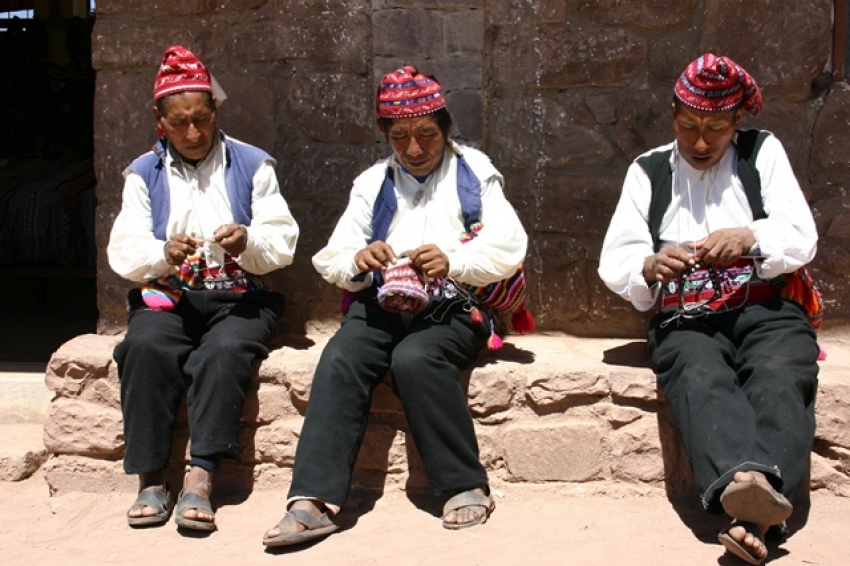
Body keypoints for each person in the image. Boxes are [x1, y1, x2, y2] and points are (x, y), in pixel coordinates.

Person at [262, 66, 528, 547]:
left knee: (417, 358)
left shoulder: (475, 174)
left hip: (451, 304)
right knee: (342, 357)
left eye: (427, 134)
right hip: (384, 302)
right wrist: (362, 261)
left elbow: (510, 246)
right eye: (400, 136)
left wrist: (454, 260)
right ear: (385, 134)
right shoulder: (371, 183)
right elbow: (335, 254)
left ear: (446, 129)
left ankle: (464, 484)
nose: (414, 148)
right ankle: (312, 500)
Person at [599, 53, 820, 565]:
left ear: (737, 122)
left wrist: (750, 236)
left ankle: (749, 505)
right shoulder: (647, 170)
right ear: (673, 116)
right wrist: (651, 264)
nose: (700, 142)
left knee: (781, 370)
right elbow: (617, 258)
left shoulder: (762, 153)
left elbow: (799, 235)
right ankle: (755, 502)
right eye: (689, 126)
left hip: (766, 306)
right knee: (697, 373)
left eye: (716, 129)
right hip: (686, 316)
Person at [108, 45, 299, 531]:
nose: (193, 132)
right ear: (160, 119)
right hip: (170, 297)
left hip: (241, 297)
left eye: (201, 118)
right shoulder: (142, 174)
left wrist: (247, 241)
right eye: (179, 122)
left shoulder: (255, 166)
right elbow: (125, 251)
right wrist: (161, 254)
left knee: (226, 349)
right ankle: (151, 478)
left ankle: (201, 476)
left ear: (215, 111)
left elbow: (282, 243)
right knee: (145, 346)